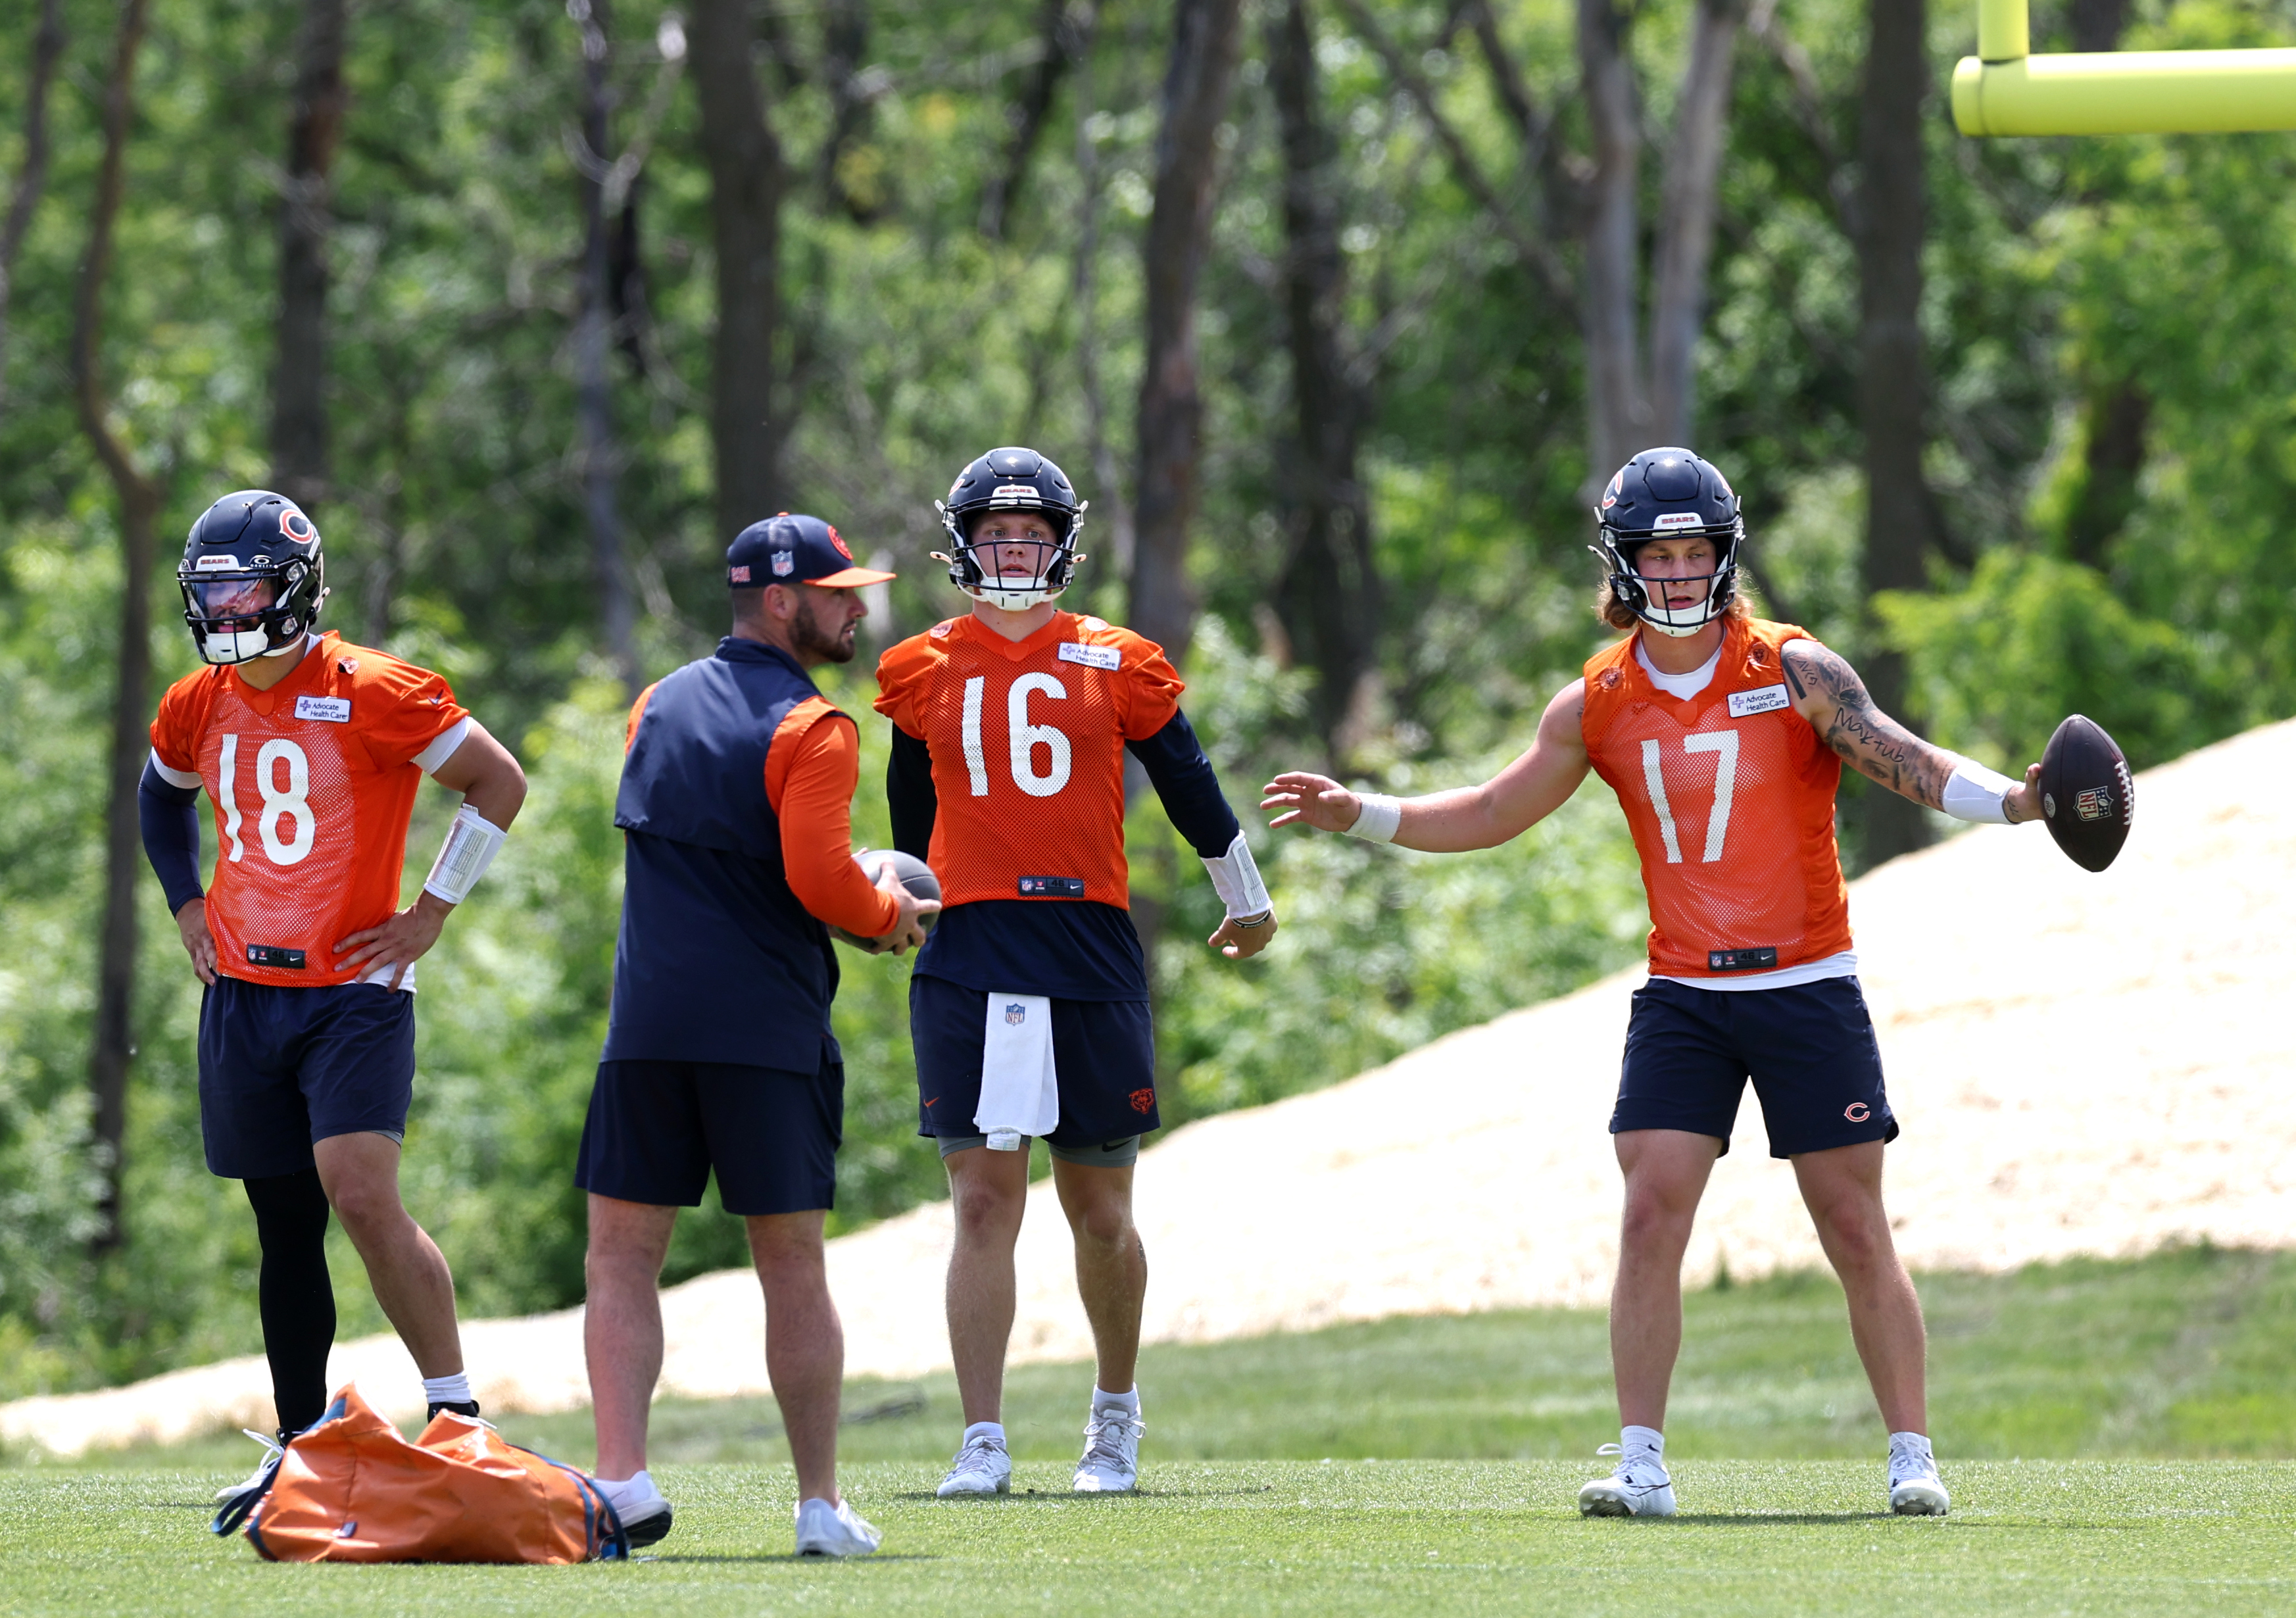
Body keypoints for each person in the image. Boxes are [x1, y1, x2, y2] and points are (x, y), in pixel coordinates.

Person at [1265, 447, 2050, 1521]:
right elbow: (1495, 810)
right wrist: (1364, 812)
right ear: (1623, 565)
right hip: (1682, 994)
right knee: (1649, 1212)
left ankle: (1910, 1453)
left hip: (1806, 981)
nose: (1677, 574)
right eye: (1657, 555)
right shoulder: (1598, 697)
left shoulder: (1793, 667)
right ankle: (1641, 1460)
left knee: (1851, 1222)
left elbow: (1898, 758)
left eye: (1694, 553)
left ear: (1724, 557)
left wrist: (2014, 801)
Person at [873, 447, 1280, 1499]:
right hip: (968, 944)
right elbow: (906, 816)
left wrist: (1244, 894)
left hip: (1085, 939)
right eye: (997, 536)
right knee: (979, 1199)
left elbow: (1187, 780)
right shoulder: (920, 665)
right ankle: (983, 1437)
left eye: (1032, 536)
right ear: (961, 546)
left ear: (1064, 546)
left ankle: (1113, 1414)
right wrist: (893, 906)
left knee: (1099, 1207)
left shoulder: (1118, 658)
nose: (1015, 552)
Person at [138, 490, 528, 1502]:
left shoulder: (374, 688)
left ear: (298, 590)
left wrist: (431, 911)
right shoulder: (197, 701)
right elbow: (159, 795)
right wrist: (186, 907)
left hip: (353, 991)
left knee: (361, 1193)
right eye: (211, 591)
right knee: (282, 1224)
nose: (226, 609)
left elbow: (498, 783)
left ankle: (455, 1412)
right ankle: (301, 1438)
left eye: (245, 588)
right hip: (244, 996)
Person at [578, 512, 939, 1557]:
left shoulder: (655, 703)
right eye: (836, 593)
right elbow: (821, 879)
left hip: (646, 1025)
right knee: (789, 1263)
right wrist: (889, 919)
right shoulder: (816, 727)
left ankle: (622, 1484)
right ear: (781, 601)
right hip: (763, 1031)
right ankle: (819, 1506)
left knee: (619, 1259)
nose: (855, 608)